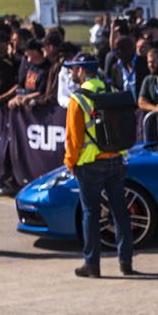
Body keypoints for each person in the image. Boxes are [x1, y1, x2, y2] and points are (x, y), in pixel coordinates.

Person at [62, 54, 134, 278]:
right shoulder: (113, 92)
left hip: (90, 164)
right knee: (120, 212)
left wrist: (70, 162)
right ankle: (126, 262)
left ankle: (92, 264)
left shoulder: (78, 99)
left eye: (73, 69)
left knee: (91, 213)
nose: (71, 72)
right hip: (116, 159)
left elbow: (73, 138)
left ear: (82, 70)